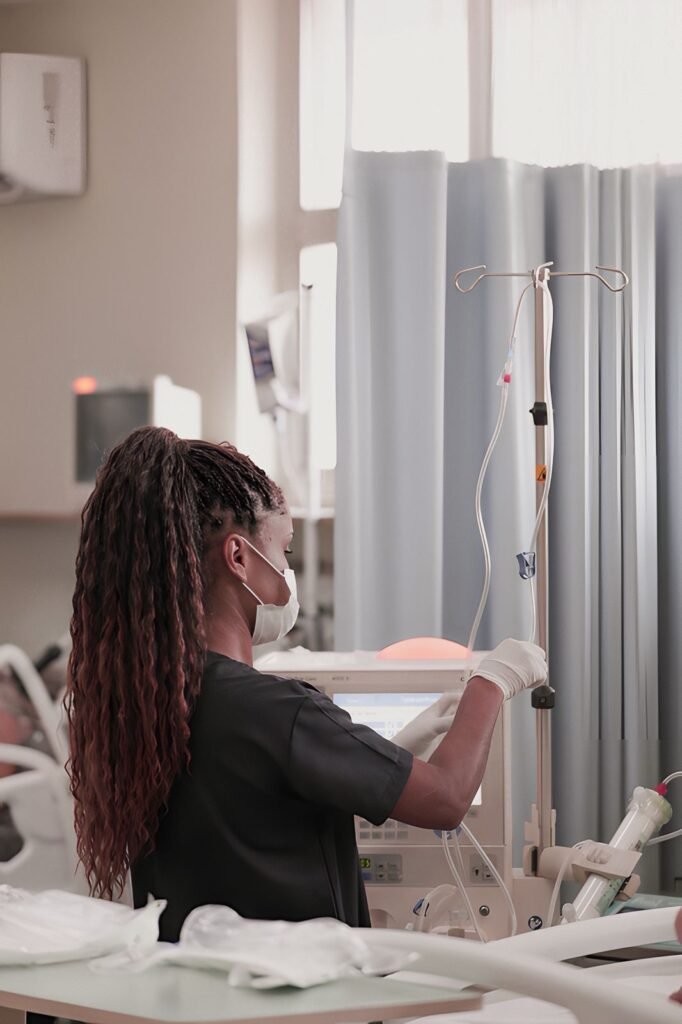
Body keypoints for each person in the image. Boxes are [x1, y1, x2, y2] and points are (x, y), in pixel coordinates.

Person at [67, 426, 547, 941]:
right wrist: (491, 681)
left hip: (190, 983)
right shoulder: (275, 711)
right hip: (304, 985)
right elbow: (447, 799)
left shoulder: (139, 705)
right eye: (285, 550)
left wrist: (388, 754)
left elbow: (257, 814)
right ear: (238, 557)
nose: (286, 570)